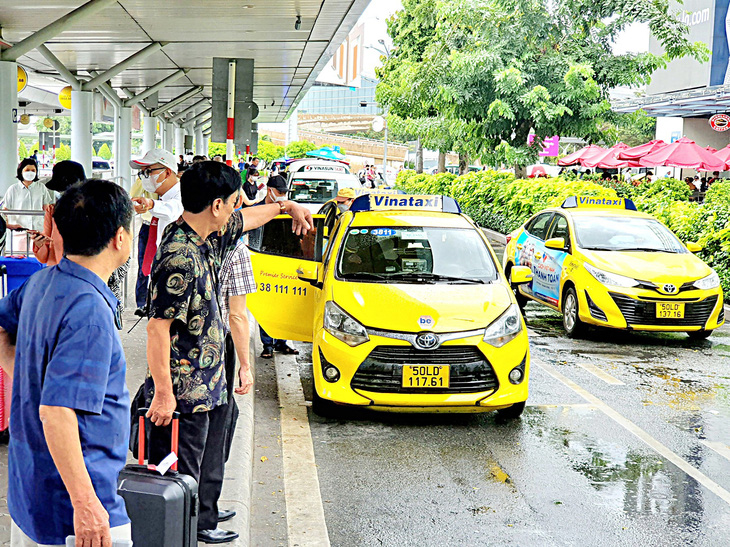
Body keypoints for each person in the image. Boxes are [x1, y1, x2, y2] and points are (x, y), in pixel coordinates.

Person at [144, 162, 312, 543]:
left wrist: (287, 207)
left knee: (212, 456)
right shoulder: (180, 256)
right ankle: (187, 530)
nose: (238, 207)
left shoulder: (211, 234)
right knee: (186, 467)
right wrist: (164, 393)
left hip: (213, 375)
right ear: (217, 205)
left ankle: (205, 518)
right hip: (186, 389)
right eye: (234, 201)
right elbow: (157, 329)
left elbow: (250, 218)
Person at [0, 179, 134, 547]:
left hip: (33, 496)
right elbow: (57, 412)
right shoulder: (89, 309)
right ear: (120, 237)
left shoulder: (42, 282)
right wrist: (87, 505)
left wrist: (26, 374)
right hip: (75, 510)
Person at [247, 175, 300, 358]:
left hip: (285, 262)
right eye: (280, 193)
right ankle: (267, 344)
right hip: (264, 262)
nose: (283, 197)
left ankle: (282, 342)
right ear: (270, 190)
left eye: (285, 193)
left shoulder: (287, 211)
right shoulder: (256, 210)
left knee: (284, 305)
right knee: (267, 306)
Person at [129, 149, 184, 282]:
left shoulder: (183, 193)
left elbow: (174, 209)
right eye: (142, 173)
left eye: (148, 171)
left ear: (167, 172)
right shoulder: (163, 197)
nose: (144, 177)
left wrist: (152, 204)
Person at [31, 160, 86, 266]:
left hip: (84, 274)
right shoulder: (52, 210)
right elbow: (44, 257)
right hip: (57, 272)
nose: (60, 194)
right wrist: (39, 244)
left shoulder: (93, 212)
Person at [3, 158, 54, 253]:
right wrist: (10, 225)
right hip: (19, 233)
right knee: (19, 260)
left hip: (38, 233)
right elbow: (5, 211)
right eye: (27, 170)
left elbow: (46, 209)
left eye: (33, 170)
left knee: (38, 260)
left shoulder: (41, 188)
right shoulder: (13, 189)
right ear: (21, 171)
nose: (30, 173)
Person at [129, 173, 159, 316]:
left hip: (165, 227)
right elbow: (133, 194)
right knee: (144, 265)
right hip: (148, 226)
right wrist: (143, 178)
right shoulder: (146, 182)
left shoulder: (175, 186)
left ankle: (157, 303)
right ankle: (142, 304)